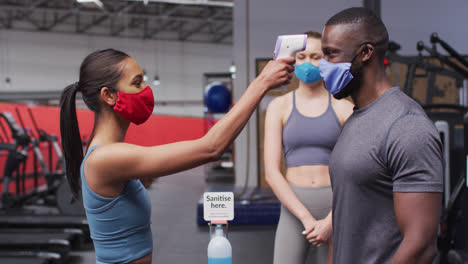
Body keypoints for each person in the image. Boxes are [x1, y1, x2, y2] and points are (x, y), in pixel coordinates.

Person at [59, 48, 295, 264]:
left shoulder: (111, 153)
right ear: (109, 96)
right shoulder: (105, 158)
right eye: (137, 83)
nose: (146, 91)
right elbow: (211, 148)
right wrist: (262, 83)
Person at [319, 7, 443, 263]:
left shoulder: (407, 126)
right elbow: (345, 227)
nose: (322, 66)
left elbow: (421, 246)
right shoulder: (356, 119)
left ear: (365, 52)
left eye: (331, 54)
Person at [264, 31, 353, 264]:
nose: (308, 63)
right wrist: (306, 218)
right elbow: (272, 173)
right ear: (293, 60)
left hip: (335, 205)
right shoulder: (278, 107)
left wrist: (329, 222)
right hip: (294, 206)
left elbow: (355, 172)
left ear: (326, 60)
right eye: (301, 57)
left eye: (315, 56)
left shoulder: (344, 108)